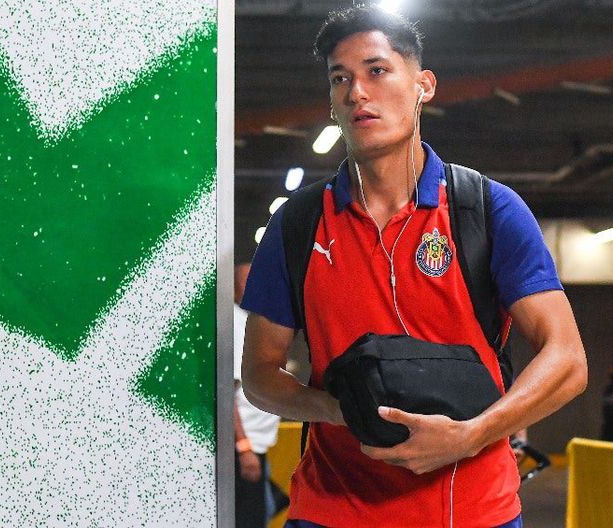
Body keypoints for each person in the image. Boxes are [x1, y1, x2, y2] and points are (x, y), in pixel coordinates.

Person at [241, 5, 587, 527]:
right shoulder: (298, 225)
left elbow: (568, 360)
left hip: (471, 511)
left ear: (424, 85)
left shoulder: (487, 210)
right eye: (340, 79)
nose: (357, 92)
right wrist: (340, 409)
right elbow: (259, 375)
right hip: (333, 511)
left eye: (377, 70)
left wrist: (471, 434)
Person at [234, 263, 281, 527]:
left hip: (257, 445)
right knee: (250, 519)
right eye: (247, 281)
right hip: (245, 446)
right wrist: (243, 448)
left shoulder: (250, 322)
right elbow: (227, 396)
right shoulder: (235, 324)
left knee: (266, 508)